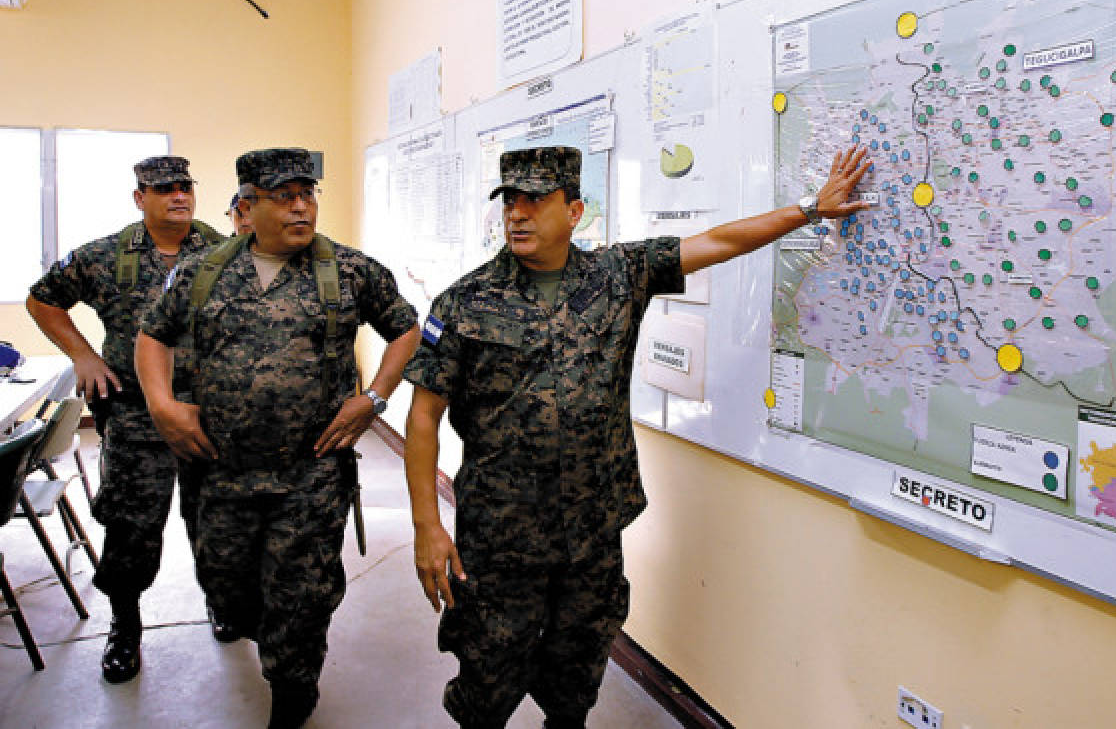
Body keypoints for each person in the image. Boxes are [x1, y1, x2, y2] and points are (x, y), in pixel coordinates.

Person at [403, 144, 871, 728]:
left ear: (574, 211)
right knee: (487, 680)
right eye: (510, 202)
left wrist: (808, 209)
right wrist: (428, 525)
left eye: (534, 200)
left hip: (592, 533)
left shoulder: (618, 276)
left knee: (575, 681)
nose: (517, 214)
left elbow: (720, 242)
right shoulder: (466, 302)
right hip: (502, 536)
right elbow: (422, 415)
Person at [135, 147, 420, 729]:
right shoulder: (203, 271)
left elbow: (407, 330)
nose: (301, 206)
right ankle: (256, 626)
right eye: (283, 196)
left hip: (309, 474)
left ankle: (292, 695)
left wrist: (375, 398)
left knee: (300, 601)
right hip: (222, 471)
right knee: (228, 592)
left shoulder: (350, 271)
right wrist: (162, 405)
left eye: (307, 194)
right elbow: (152, 336)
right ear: (247, 205)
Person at [25, 155, 229, 684]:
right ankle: (125, 624)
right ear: (140, 199)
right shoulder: (105, 255)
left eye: (185, 186)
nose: (178, 196)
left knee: (217, 520)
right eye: (164, 190)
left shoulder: (224, 252)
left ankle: (223, 602)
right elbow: (42, 300)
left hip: (211, 414)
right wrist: (83, 356)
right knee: (132, 527)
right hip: (137, 416)